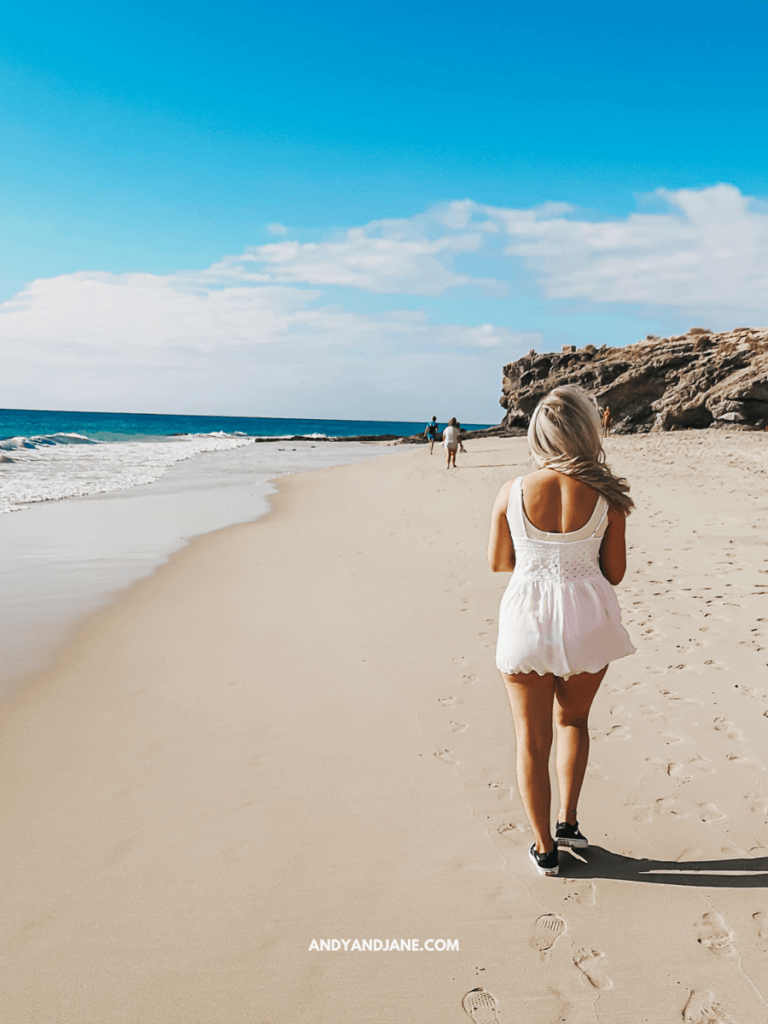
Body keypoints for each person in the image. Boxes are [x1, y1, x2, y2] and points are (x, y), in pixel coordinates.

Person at [487, 385, 635, 877]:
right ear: (587, 431)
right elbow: (614, 573)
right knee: (573, 722)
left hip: (527, 617)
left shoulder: (512, 490)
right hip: (586, 620)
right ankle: (568, 821)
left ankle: (544, 848)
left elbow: (498, 562)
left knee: (530, 740)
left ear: (540, 433)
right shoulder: (608, 497)